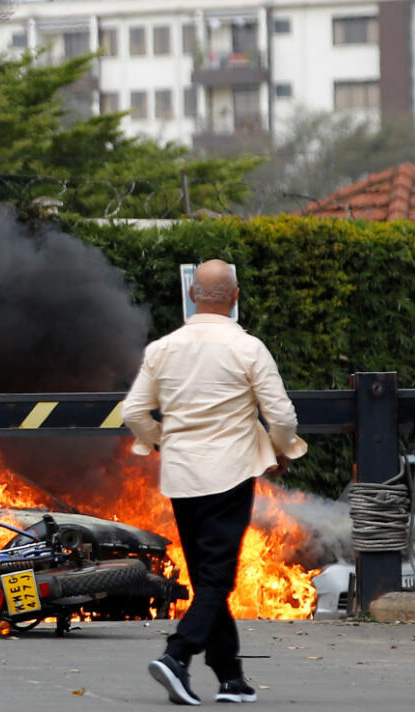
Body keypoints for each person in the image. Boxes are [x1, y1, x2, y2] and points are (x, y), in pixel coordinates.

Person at [122, 259, 306, 706]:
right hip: (231, 472)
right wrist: (282, 451)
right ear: (235, 297)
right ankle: (177, 654)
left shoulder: (163, 348)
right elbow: (281, 416)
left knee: (209, 577)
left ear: (191, 296)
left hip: (182, 476)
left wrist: (163, 441)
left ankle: (231, 679)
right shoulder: (249, 349)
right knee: (217, 581)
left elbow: (133, 413)